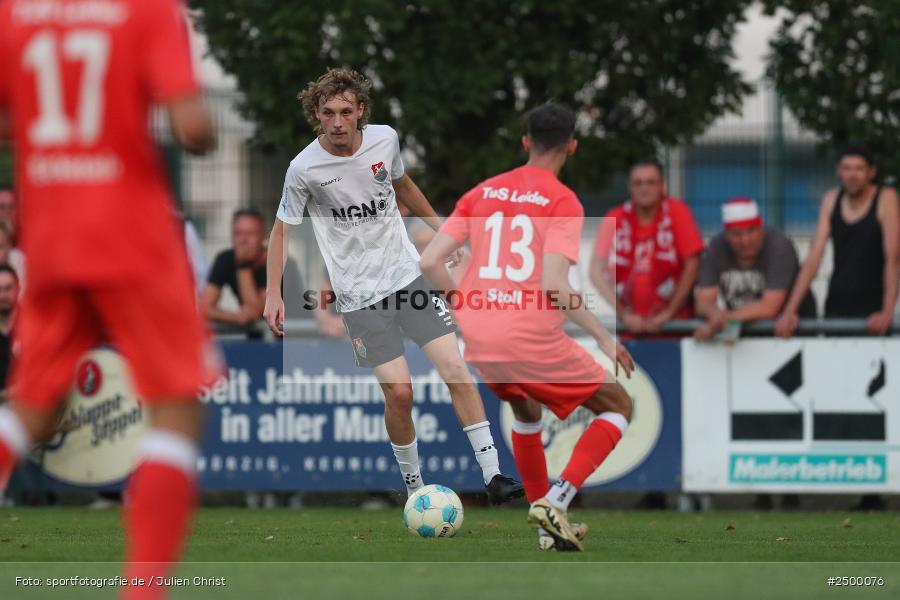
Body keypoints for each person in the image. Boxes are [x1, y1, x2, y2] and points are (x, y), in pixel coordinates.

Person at [0, 2, 217, 598]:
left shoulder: (14, 15)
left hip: (48, 235)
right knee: (175, 404)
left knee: (31, 404)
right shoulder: (147, 11)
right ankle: (143, 590)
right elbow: (193, 128)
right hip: (131, 236)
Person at [263, 68, 523, 503]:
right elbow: (281, 231)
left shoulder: (385, 140)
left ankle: (494, 474)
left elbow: (403, 184)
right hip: (360, 296)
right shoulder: (303, 169)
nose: (339, 121)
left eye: (347, 111)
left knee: (456, 369)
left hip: (407, 277)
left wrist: (443, 232)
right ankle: (416, 490)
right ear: (317, 116)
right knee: (401, 393)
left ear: (361, 111)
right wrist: (275, 293)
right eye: (328, 113)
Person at [420, 102, 635, 552]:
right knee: (619, 406)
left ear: (524, 143)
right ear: (571, 146)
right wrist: (602, 334)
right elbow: (555, 285)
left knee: (526, 412)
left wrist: (464, 304)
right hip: (528, 335)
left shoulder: (482, 192)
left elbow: (429, 260)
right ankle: (556, 500)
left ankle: (545, 528)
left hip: (480, 335)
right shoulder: (562, 201)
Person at [776, 146, 899, 338]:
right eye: (847, 168)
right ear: (839, 171)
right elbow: (814, 257)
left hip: (873, 306)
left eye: (859, 169)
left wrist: (888, 310)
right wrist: (790, 310)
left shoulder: (886, 198)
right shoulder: (831, 199)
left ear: (871, 172)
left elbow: (893, 257)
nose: (852, 175)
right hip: (837, 301)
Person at [590, 160, 704, 334]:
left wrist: (668, 314)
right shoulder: (614, 217)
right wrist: (623, 315)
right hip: (629, 329)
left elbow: (693, 264)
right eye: (638, 183)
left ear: (662, 185)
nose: (644, 189)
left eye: (651, 182)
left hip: (675, 328)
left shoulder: (677, 211)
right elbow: (595, 272)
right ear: (629, 186)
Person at [694, 198, 816, 340]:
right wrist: (714, 314)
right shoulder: (717, 247)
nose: (745, 241)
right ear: (726, 235)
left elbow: (770, 307)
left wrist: (719, 322)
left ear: (761, 228)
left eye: (751, 231)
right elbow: (703, 301)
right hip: (745, 328)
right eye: (737, 234)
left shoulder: (779, 246)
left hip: (786, 332)